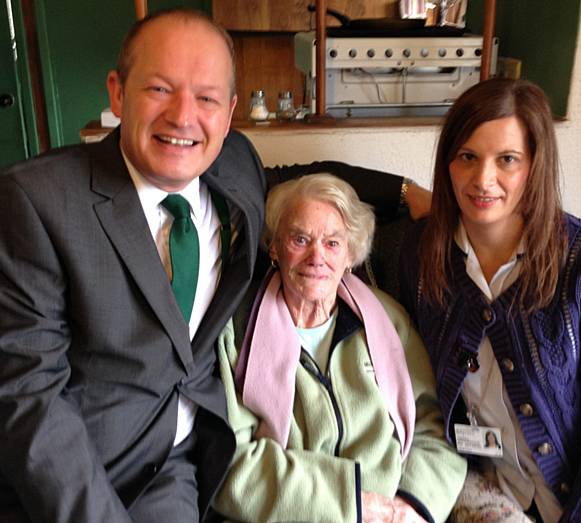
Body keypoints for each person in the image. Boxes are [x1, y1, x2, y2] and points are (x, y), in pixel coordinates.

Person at [0, 9, 413, 522]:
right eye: (159, 89)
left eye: (207, 98)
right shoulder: (36, 203)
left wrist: (404, 191)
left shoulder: (233, 163)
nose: (183, 116)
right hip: (72, 480)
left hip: (179, 467)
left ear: (231, 111)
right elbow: (28, 398)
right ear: (117, 92)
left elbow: (298, 178)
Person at [399, 78, 581, 522]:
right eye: (467, 157)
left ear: (534, 165)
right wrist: (402, 190)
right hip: (486, 493)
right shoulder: (421, 256)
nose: (482, 180)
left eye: (506, 160)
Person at [213, 174, 466, 523]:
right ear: (274, 246)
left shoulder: (388, 321)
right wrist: (353, 506)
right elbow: (232, 465)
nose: (317, 257)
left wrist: (413, 507)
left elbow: (435, 427)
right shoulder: (236, 331)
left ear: (351, 253)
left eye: (332, 243)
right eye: (300, 239)